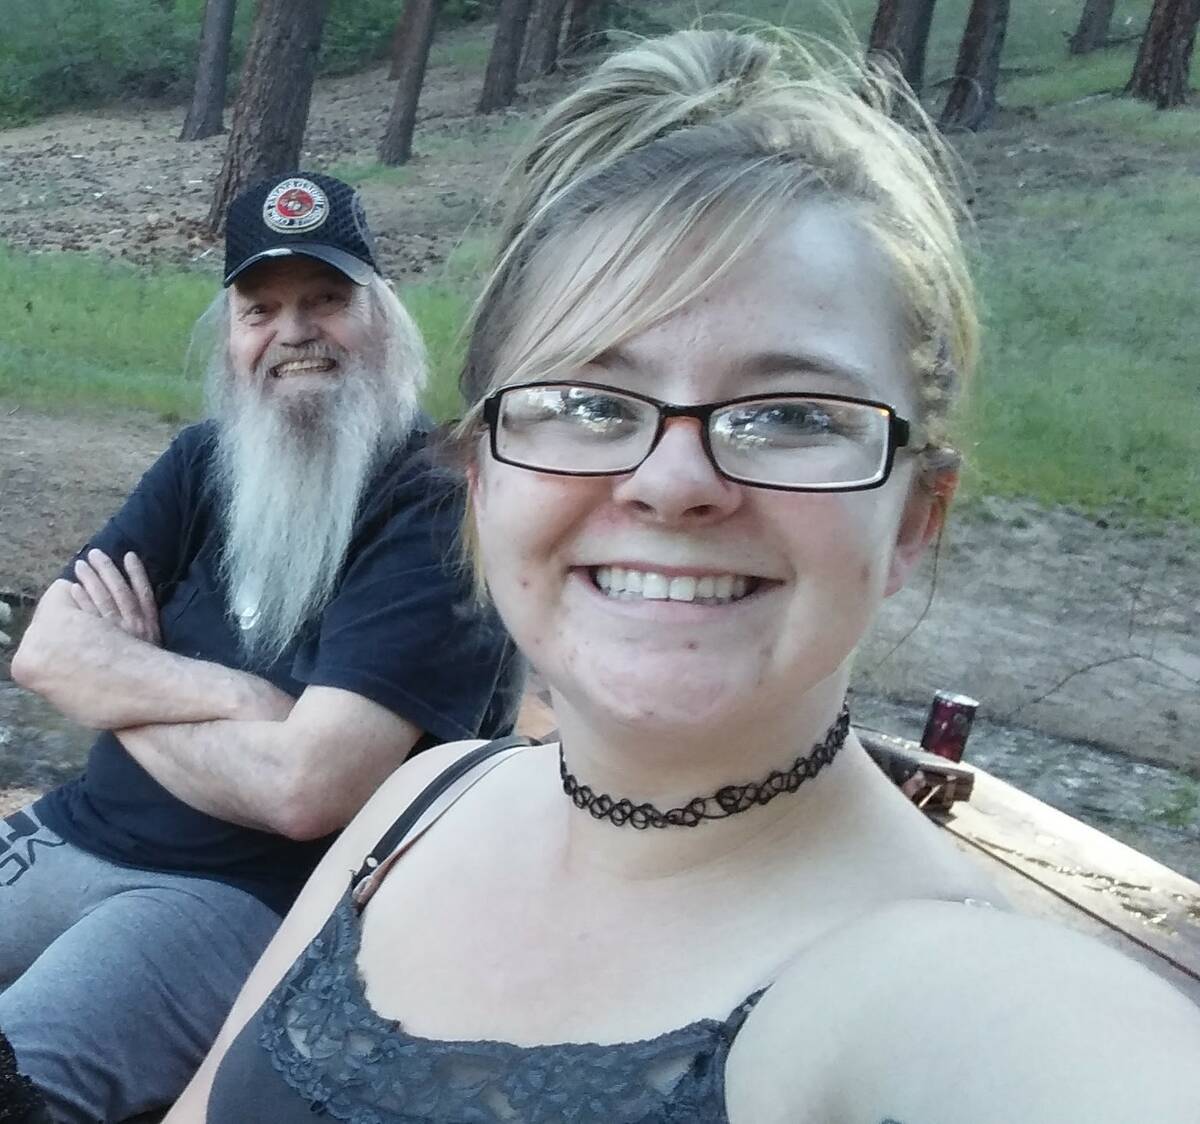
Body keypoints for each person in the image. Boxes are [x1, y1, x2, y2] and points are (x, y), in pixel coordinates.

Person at [170, 33, 1200, 1123]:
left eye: (794, 413)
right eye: (586, 401)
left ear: (913, 518)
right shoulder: (422, 802)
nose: (672, 481)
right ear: (481, 479)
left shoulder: (944, 991)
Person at [3, 172, 523, 1122]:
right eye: (261, 307)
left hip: (232, 900)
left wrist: (122, 679)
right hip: (68, 834)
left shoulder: (435, 503)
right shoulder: (203, 462)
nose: (294, 331)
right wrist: (244, 702)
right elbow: (43, 653)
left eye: (327, 299)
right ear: (234, 336)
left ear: (385, 321)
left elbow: (304, 791)